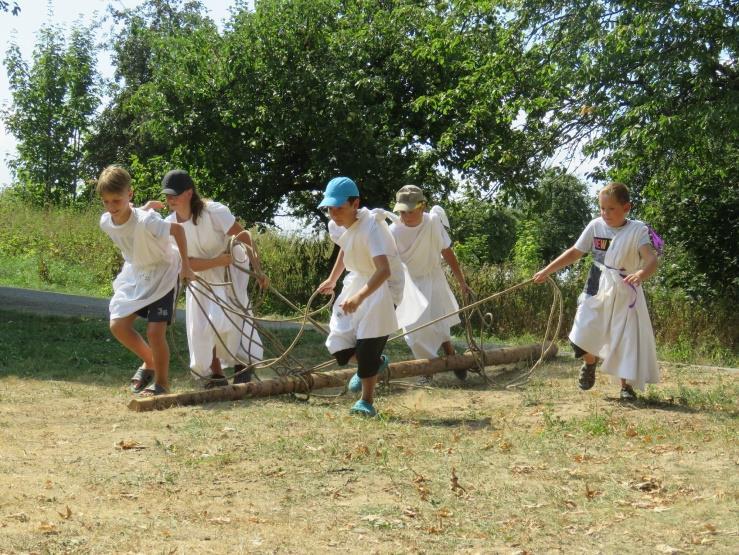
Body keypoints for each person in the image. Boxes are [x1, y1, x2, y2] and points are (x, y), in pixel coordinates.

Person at [533, 182, 659, 400]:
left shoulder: (638, 230)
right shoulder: (595, 226)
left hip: (625, 287)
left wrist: (640, 274)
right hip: (596, 281)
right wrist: (547, 270)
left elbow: (651, 260)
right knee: (583, 325)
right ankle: (589, 363)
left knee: (624, 337)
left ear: (626, 207)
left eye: (611, 209)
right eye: (602, 208)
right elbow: (574, 252)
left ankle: (625, 387)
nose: (605, 213)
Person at [156, 169, 268, 387]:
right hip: (199, 276)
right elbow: (186, 263)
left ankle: (242, 365)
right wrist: (217, 262)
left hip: (230, 271)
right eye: (168, 195)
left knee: (234, 317)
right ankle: (216, 373)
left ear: (189, 193)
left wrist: (258, 270)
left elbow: (243, 236)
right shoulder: (170, 225)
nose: (171, 200)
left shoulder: (213, 212)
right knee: (206, 322)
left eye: (175, 195)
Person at [97, 165, 194, 396]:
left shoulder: (148, 221)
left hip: (163, 273)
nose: (111, 207)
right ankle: (150, 361)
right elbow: (126, 219)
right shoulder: (106, 221)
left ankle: (162, 383)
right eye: (106, 202)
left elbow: (178, 231)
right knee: (118, 325)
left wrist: (186, 266)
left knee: (154, 332)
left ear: (129, 194)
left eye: (117, 201)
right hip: (137, 274)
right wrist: (138, 207)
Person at [316, 177, 404, 417]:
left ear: (355, 203)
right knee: (339, 344)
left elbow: (384, 270)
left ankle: (366, 401)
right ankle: (374, 363)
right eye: (330, 208)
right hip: (357, 281)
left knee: (367, 343)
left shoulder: (372, 226)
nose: (334, 213)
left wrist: (359, 298)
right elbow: (348, 246)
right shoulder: (340, 224)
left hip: (382, 286)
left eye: (339, 207)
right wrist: (333, 279)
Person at [387, 185, 472, 385]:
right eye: (402, 212)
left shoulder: (433, 223)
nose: (405, 216)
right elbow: (388, 261)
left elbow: (447, 252)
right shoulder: (393, 230)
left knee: (438, 319)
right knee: (414, 330)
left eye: (410, 211)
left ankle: (451, 353)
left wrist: (461, 281)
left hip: (433, 278)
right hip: (409, 284)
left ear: (422, 207)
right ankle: (427, 369)